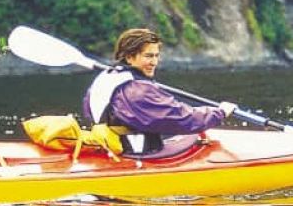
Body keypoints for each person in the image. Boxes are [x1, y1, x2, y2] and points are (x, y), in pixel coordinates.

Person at [82, 28, 237, 158]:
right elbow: (180, 118)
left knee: (188, 135)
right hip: (139, 153)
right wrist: (220, 113)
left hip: (109, 147)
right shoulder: (137, 91)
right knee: (192, 133)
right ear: (129, 57)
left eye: (156, 56)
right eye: (148, 56)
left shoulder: (108, 77)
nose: (154, 62)